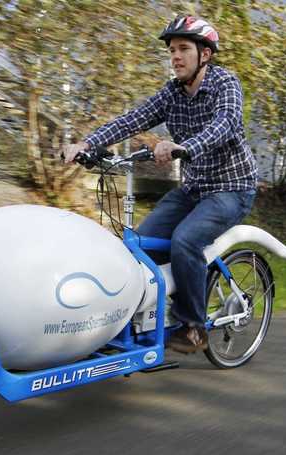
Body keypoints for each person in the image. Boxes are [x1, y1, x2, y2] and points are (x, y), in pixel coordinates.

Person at [62, 15, 258, 354]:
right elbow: (131, 120)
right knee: (138, 245)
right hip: (194, 188)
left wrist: (185, 146)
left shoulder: (226, 84)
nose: (176, 57)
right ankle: (135, 320)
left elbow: (224, 125)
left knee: (184, 240)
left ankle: (193, 326)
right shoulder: (171, 94)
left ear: (205, 55)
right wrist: (87, 144)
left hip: (231, 187)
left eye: (183, 49)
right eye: (172, 50)